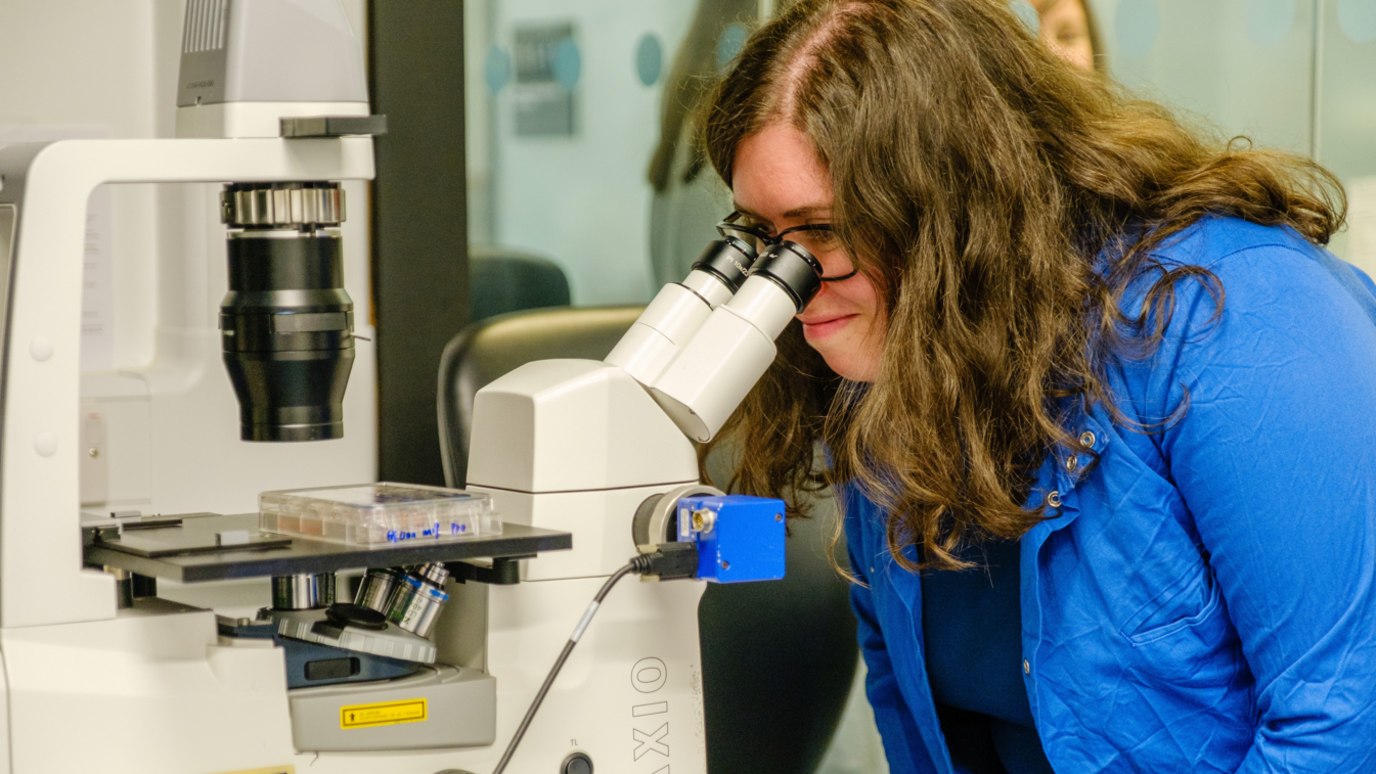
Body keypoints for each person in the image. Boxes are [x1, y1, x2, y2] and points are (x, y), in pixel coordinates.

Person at [698, 1, 1376, 772]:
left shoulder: (1241, 315)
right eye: (762, 236)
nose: (792, 286)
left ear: (954, 205)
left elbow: (1343, 724)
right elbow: (903, 689)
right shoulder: (897, 356)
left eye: (823, 230)